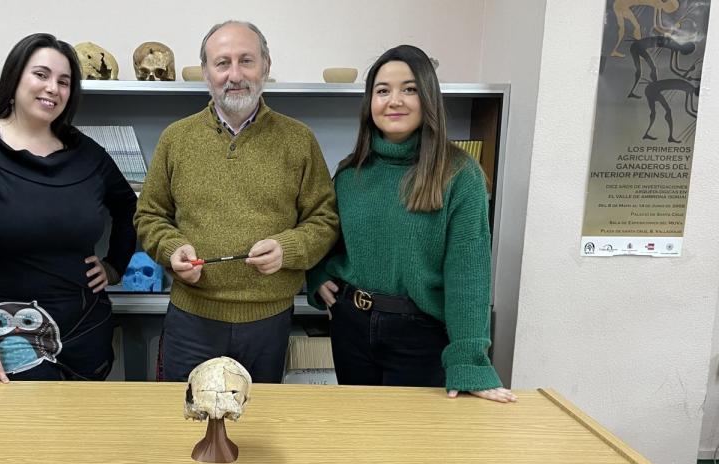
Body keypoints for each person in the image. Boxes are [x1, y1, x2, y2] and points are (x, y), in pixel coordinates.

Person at [306, 45, 516, 403]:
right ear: (370, 103)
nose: (395, 100)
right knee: (357, 436)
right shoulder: (350, 173)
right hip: (351, 329)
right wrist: (317, 274)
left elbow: (469, 275)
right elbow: (329, 238)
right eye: (383, 91)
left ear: (428, 98)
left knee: (411, 447)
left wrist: (469, 362)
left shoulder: (460, 175)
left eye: (409, 89)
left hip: (422, 336)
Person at [135, 20, 339, 384]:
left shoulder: (299, 139)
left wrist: (287, 248)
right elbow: (149, 215)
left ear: (266, 66)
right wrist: (172, 248)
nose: (235, 74)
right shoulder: (176, 139)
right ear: (206, 72)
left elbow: (324, 219)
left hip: (269, 322)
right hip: (191, 318)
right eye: (222, 63)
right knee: (185, 421)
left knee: (256, 424)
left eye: (246, 60)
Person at [0, 33, 137, 388]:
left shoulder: (87, 154)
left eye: (64, 81)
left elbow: (128, 207)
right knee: (20, 440)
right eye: (41, 75)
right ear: (14, 78)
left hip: (86, 331)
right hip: (9, 338)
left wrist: (115, 265)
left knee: (86, 437)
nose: (53, 88)